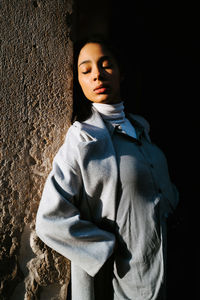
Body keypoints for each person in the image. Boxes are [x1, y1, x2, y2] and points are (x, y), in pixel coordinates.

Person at [36, 36, 179, 300]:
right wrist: (105, 246)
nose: (97, 75)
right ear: (77, 81)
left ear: (121, 72)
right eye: (86, 70)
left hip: (162, 270)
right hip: (121, 281)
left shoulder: (141, 130)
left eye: (106, 65)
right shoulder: (83, 139)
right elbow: (50, 220)